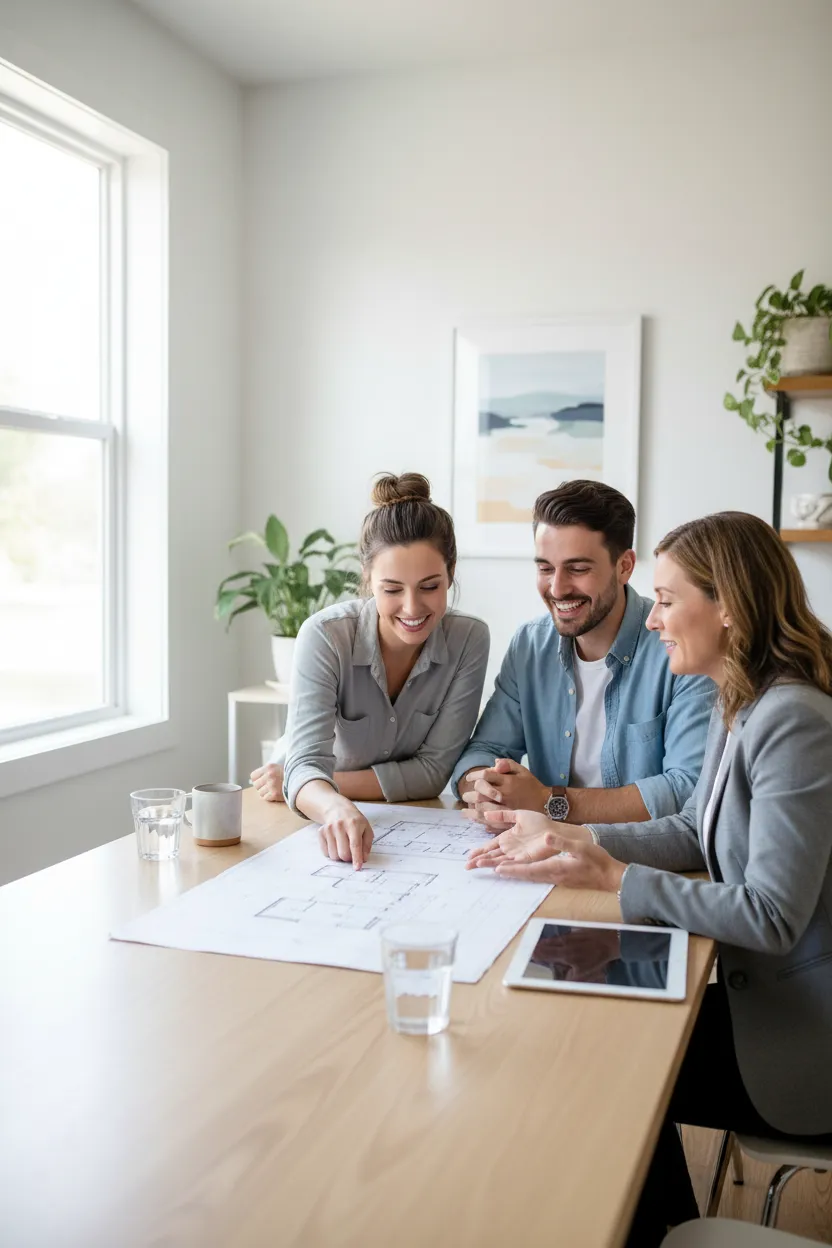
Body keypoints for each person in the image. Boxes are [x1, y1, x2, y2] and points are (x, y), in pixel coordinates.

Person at [467, 511, 832, 1244]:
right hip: (765, 1003)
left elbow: (771, 916)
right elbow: (695, 828)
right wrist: (569, 836)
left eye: (667, 600)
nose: (654, 618)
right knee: (605, 1048)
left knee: (603, 1070)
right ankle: (666, 1226)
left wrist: (612, 876)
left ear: (727, 604)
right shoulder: (748, 695)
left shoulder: (794, 719)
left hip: (802, 1047)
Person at [251, 473, 489, 869]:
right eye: (392, 589)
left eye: (430, 586)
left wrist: (318, 783)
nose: (412, 608)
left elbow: (433, 772)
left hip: (317, 793)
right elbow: (307, 761)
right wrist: (325, 801)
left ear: (450, 573)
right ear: (368, 581)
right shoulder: (325, 636)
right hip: (298, 807)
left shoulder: (470, 640)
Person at [452, 479, 715, 826]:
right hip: (545, 853)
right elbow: (482, 752)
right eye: (545, 568)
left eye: (577, 569)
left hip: (639, 861)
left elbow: (688, 788)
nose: (557, 588)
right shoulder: (530, 645)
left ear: (624, 566)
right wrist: (488, 790)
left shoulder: (680, 648)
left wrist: (549, 802)